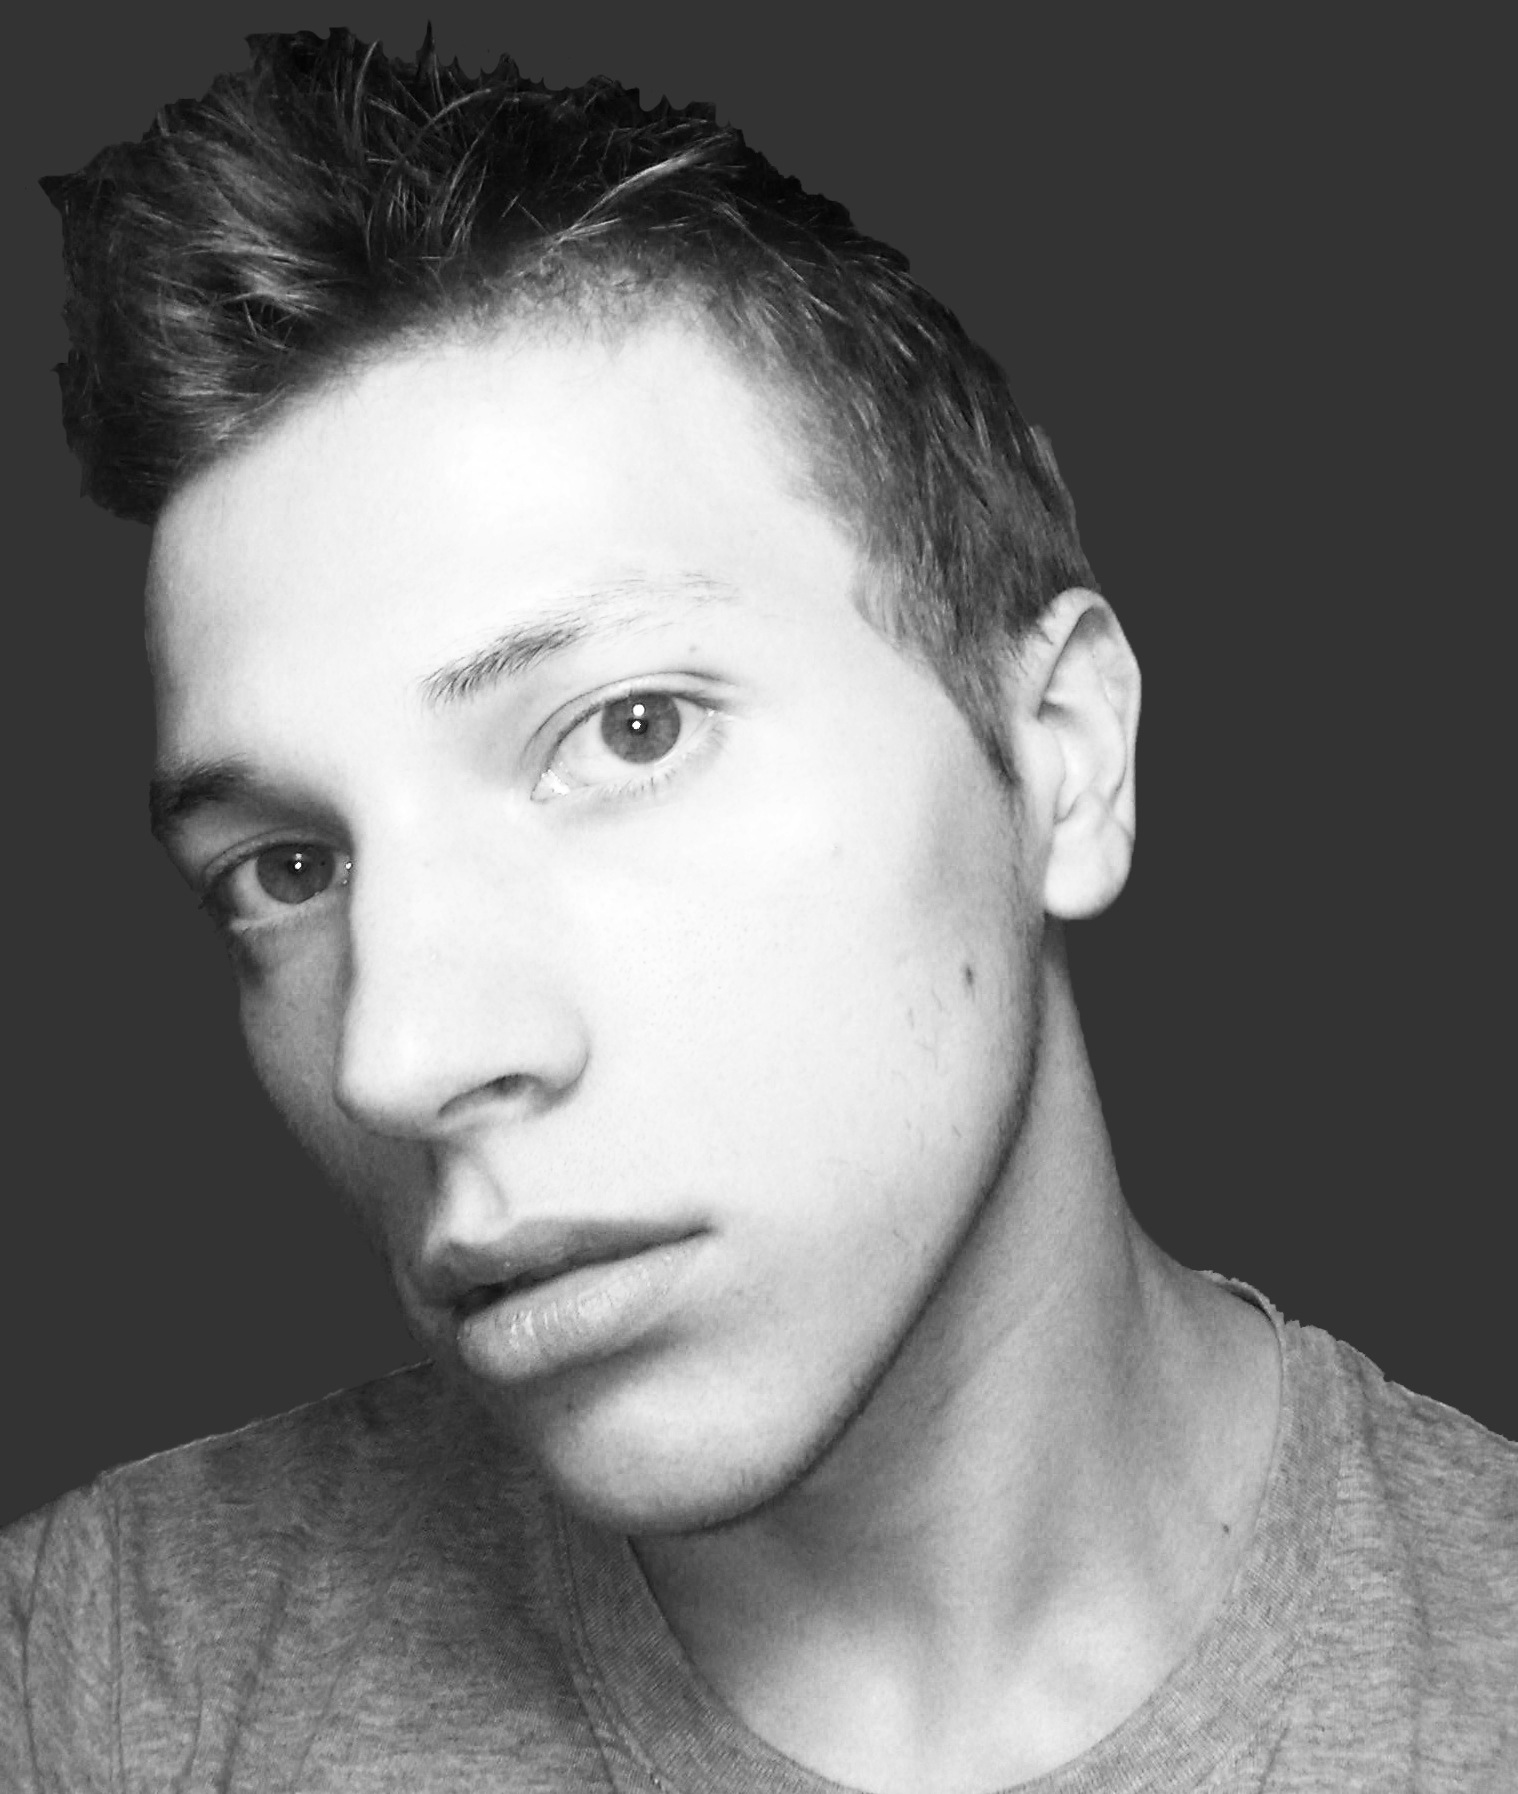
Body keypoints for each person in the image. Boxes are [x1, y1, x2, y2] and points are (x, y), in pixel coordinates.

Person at [3, 25, 1513, 1793]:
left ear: (1062, 757)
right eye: (287, 869)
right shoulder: (108, 1681)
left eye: (626, 731)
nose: (396, 1052)